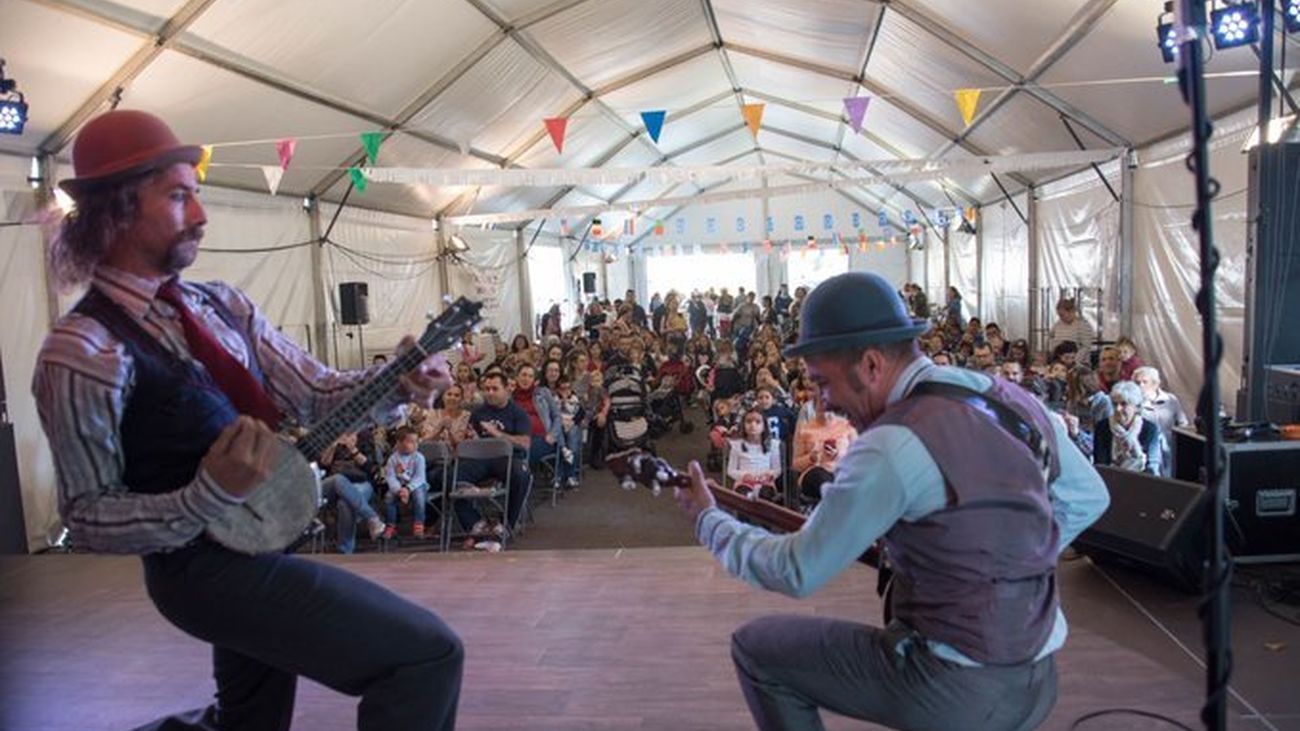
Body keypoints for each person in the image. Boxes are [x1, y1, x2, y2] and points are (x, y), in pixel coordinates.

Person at [34, 110, 462, 730]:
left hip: (261, 544)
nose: (202, 217)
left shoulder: (221, 305)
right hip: (201, 575)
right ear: (117, 209)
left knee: (248, 722)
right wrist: (204, 497)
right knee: (424, 657)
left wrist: (400, 379)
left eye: (198, 196)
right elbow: (89, 517)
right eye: (180, 197)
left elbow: (318, 392)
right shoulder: (83, 352)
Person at [673, 271, 1108, 731]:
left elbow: (796, 570)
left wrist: (709, 521)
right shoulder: (1008, 398)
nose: (824, 401)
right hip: (1039, 673)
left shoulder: (891, 445)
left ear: (872, 366)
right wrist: (1009, 561)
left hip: (958, 687)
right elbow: (1087, 496)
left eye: (823, 382)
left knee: (758, 649)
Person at [1093, 380, 1162, 475]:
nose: (1118, 409)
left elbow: (1152, 466)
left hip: (1142, 480)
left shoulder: (1149, 429)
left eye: (1124, 404)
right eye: (1114, 404)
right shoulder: (1103, 427)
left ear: (1136, 407)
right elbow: (1100, 463)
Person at [383, 427, 430, 539]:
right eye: (410, 442)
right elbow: (391, 478)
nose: (415, 445)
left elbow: (420, 477)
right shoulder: (392, 459)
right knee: (389, 497)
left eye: (416, 442)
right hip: (399, 487)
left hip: (417, 485)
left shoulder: (419, 457)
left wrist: (408, 489)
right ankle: (391, 525)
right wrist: (399, 490)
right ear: (399, 443)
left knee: (418, 496)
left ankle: (419, 523)